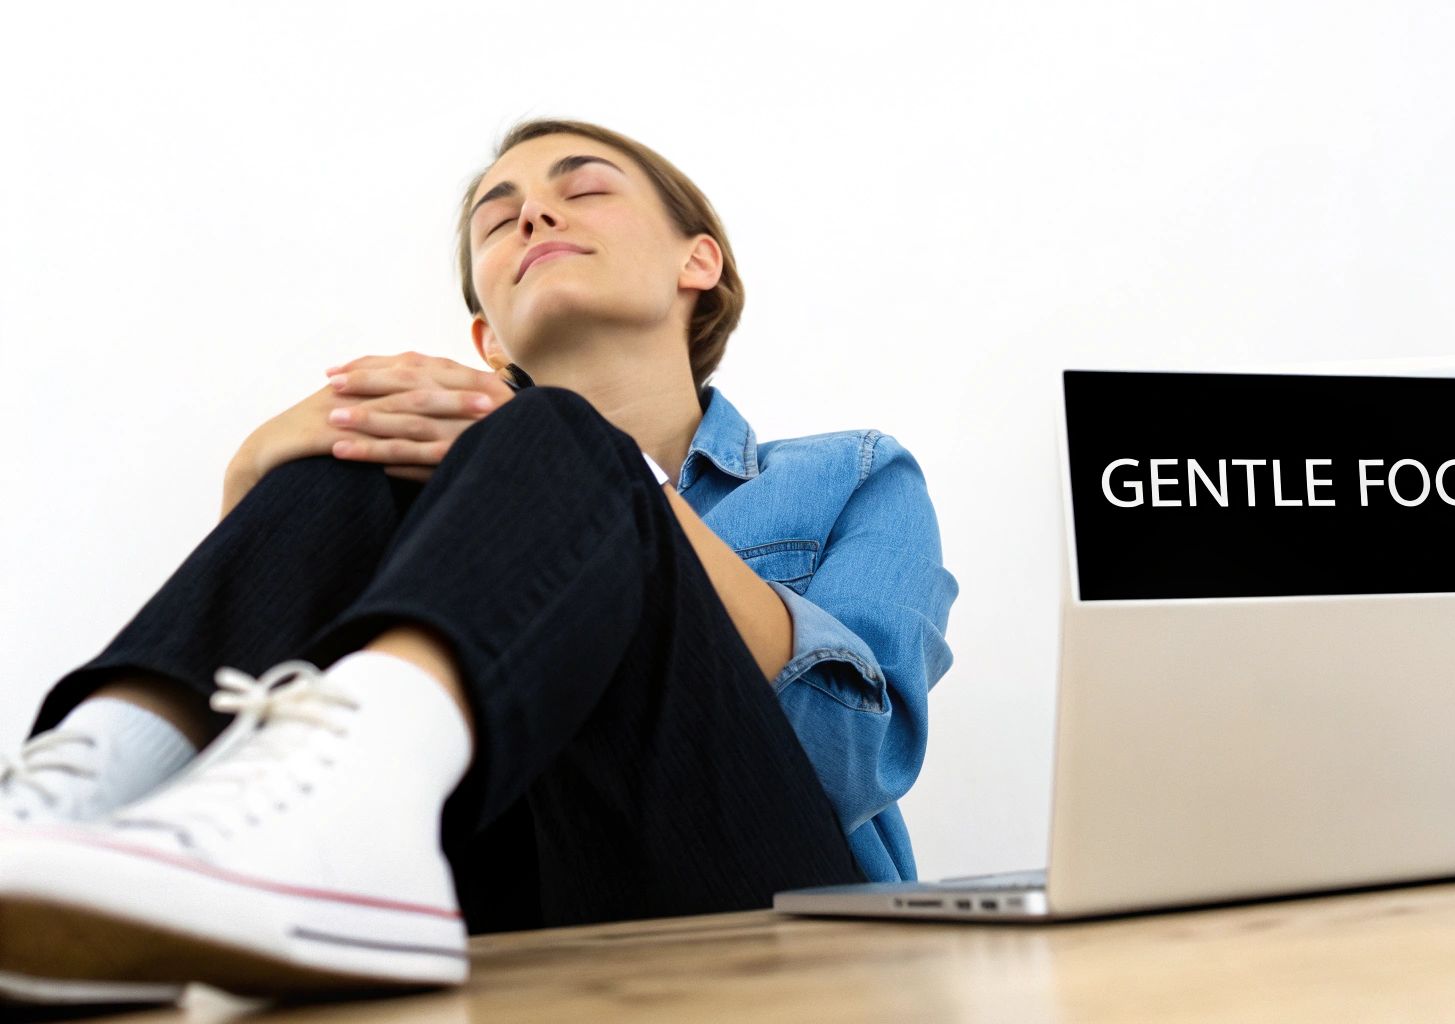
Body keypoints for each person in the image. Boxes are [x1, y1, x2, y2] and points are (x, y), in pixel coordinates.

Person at [0, 117, 960, 1005]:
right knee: (341, 463)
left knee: (563, 435)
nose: (534, 212)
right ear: (485, 337)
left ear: (696, 260)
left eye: (583, 190)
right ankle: (68, 811)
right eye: (498, 220)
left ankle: (339, 816)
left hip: (763, 908)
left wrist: (622, 481)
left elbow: (859, 757)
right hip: (493, 909)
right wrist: (253, 475)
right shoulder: (411, 497)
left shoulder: (853, 473)